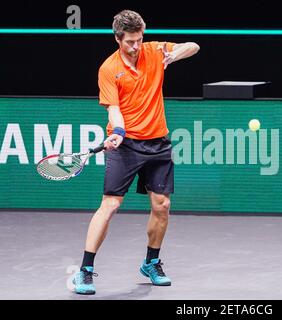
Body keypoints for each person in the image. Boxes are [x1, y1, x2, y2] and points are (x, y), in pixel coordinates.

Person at [73, 9, 200, 295]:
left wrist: (175, 54)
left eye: (139, 40)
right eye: (130, 41)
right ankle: (85, 270)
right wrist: (118, 133)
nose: (135, 46)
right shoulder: (108, 68)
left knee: (162, 205)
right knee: (111, 205)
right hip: (127, 145)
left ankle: (151, 262)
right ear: (118, 39)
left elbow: (194, 46)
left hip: (158, 143)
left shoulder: (154, 51)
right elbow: (114, 110)